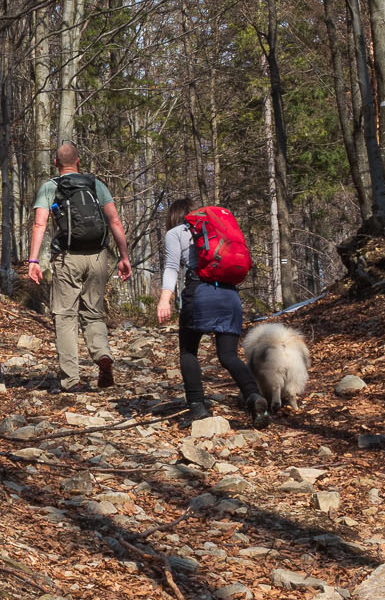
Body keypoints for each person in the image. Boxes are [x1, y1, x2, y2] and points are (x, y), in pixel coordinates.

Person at [27, 143, 132, 393]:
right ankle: (102, 354)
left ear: (55, 163)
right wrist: (124, 256)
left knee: (65, 316)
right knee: (93, 312)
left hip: (67, 257)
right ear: (79, 161)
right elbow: (114, 220)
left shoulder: (51, 186)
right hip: (97, 257)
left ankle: (71, 380)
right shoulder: (95, 184)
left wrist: (33, 260)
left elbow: (39, 224)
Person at [157, 197, 268, 426]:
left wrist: (164, 300)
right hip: (230, 295)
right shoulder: (216, 230)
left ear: (173, 217)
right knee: (228, 355)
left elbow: (171, 268)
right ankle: (254, 396)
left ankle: (197, 406)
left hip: (199, 294)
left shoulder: (175, 232)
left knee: (188, 351)